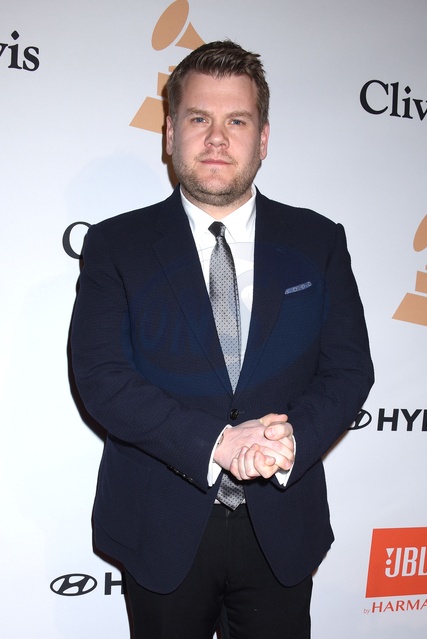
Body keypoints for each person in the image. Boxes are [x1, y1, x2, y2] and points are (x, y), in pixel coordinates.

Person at [70, 40, 374, 639]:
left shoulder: (319, 241)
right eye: (198, 119)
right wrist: (218, 443)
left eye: (237, 121)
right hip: (159, 525)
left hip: (283, 525)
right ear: (169, 134)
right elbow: (102, 378)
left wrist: (290, 439)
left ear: (263, 138)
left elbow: (348, 370)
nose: (216, 138)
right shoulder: (116, 245)